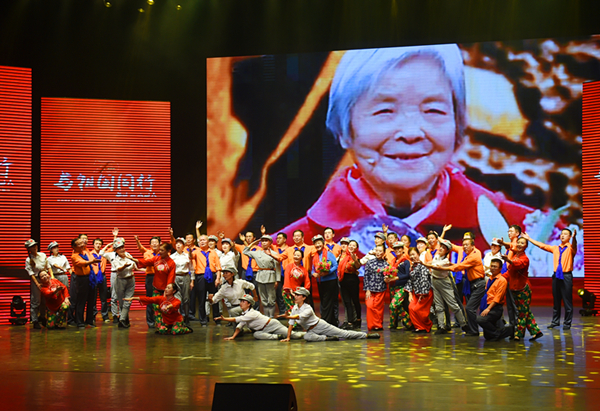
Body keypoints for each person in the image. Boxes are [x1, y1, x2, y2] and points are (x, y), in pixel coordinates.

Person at [279, 44, 532, 258]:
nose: (411, 133)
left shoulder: (529, 235)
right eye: (385, 111)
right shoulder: (286, 250)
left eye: (433, 110)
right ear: (345, 130)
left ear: (457, 125)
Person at [522, 229, 577, 331]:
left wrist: (574, 238)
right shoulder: (555, 248)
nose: (562, 235)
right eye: (561, 234)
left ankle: (567, 323)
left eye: (565, 234)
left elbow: (574, 244)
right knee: (556, 300)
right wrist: (529, 239)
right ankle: (555, 321)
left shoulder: (571, 248)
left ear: (569, 237)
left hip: (566, 276)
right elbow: (542, 246)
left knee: (567, 301)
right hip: (556, 276)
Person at [279, 287, 380, 342]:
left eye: (298, 295)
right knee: (307, 337)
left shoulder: (308, 308)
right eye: (295, 295)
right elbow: (291, 323)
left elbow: (297, 317)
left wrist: (287, 316)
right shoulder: (295, 308)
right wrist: (288, 337)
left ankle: (366, 335)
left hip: (320, 326)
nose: (295, 296)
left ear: (304, 297)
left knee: (344, 334)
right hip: (311, 330)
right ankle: (328, 338)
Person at [501, 237, 543, 341]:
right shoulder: (515, 255)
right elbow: (510, 273)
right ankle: (536, 331)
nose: (519, 244)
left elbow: (518, 265)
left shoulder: (524, 258)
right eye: (518, 242)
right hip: (514, 288)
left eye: (522, 243)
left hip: (523, 289)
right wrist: (499, 277)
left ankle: (518, 334)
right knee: (524, 311)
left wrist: (509, 260)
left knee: (522, 313)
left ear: (526, 246)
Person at [422, 239, 467, 334]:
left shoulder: (445, 261)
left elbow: (435, 267)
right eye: (441, 246)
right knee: (438, 306)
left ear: (447, 251)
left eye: (444, 248)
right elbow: (432, 263)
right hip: (435, 280)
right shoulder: (437, 256)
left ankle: (464, 324)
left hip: (444, 283)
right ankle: (441, 326)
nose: (441, 248)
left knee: (453, 305)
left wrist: (423, 263)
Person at [443, 238, 486, 336]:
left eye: (467, 245)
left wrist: (441, 267)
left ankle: (474, 330)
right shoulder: (468, 255)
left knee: (470, 308)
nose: (465, 247)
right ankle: (472, 329)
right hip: (472, 283)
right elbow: (459, 263)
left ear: (473, 246)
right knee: (470, 308)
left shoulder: (474, 255)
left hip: (478, 283)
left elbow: (459, 267)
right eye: (464, 245)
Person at [217, 295, 305, 340]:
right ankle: (277, 337)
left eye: (243, 301)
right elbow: (239, 326)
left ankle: (307, 333)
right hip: (263, 329)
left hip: (272, 325)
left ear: (249, 304)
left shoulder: (252, 313)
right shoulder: (245, 315)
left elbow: (236, 319)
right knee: (256, 334)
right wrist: (233, 337)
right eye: (241, 301)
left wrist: (224, 319)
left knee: (294, 335)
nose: (241, 303)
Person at [131, 242, 176, 330]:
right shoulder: (156, 259)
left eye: (162, 250)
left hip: (166, 289)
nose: (160, 252)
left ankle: (168, 324)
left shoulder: (171, 263)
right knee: (156, 307)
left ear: (168, 251)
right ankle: (159, 326)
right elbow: (145, 262)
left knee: (166, 307)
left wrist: (167, 291)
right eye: (159, 250)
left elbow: (171, 278)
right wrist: (133, 259)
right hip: (156, 287)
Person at [126, 283, 193, 335]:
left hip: (176, 320)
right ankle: (170, 329)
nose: (166, 289)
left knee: (175, 331)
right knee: (162, 331)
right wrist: (134, 298)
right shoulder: (161, 299)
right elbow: (149, 299)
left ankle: (185, 329)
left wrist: (169, 306)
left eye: (169, 288)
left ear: (174, 291)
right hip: (166, 321)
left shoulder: (176, 300)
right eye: (166, 287)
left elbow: (175, 305)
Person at [100, 238, 137, 328]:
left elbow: (135, 265)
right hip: (116, 275)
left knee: (127, 300)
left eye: (122, 247)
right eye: (119, 247)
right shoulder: (112, 255)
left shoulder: (127, 254)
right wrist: (109, 244)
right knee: (116, 297)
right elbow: (101, 253)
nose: (121, 249)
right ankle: (118, 317)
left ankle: (123, 318)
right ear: (115, 248)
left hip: (129, 277)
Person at [476, 258, 514, 341]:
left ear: (500, 269)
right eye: (492, 266)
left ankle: (501, 333)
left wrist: (488, 309)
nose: (492, 268)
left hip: (495, 308)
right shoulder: (489, 279)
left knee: (480, 320)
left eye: (495, 267)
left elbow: (497, 298)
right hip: (487, 305)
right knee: (488, 337)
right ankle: (504, 332)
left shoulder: (502, 280)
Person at [243, 235, 281, 318]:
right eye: (262, 241)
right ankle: (266, 318)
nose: (264, 243)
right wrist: (253, 243)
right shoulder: (257, 253)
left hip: (270, 276)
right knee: (263, 299)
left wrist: (277, 280)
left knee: (271, 298)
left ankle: (271, 317)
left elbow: (278, 268)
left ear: (270, 242)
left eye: (266, 241)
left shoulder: (274, 254)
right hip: (260, 276)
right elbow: (245, 251)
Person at [70, 237, 102, 329]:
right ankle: (79, 322)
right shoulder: (74, 256)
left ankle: (89, 320)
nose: (82, 245)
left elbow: (90, 258)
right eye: (79, 244)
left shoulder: (85, 252)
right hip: (81, 279)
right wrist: (92, 261)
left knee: (91, 300)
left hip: (91, 277)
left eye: (82, 243)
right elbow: (82, 263)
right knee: (81, 301)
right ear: (74, 247)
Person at [311, 234, 339, 326]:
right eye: (316, 243)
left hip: (330, 281)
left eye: (319, 243)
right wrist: (313, 273)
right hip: (321, 282)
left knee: (328, 302)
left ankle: (325, 321)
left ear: (323, 244)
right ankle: (330, 321)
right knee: (323, 301)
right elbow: (312, 268)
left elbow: (335, 266)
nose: (318, 245)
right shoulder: (315, 256)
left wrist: (328, 272)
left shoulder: (329, 254)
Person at [134, 234, 162, 328]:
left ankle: (160, 320)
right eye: (152, 243)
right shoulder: (147, 253)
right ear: (150, 245)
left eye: (156, 242)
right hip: (151, 277)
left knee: (161, 299)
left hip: (161, 277)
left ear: (160, 243)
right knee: (150, 299)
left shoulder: (163, 253)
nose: (154, 244)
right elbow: (149, 262)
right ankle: (150, 321)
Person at [404, 247, 434, 333]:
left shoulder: (423, 265)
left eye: (414, 254)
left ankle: (426, 326)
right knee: (411, 308)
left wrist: (422, 294)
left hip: (425, 292)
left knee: (418, 310)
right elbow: (410, 280)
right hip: (416, 292)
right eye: (410, 255)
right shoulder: (412, 266)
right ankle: (418, 327)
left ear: (418, 254)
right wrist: (410, 293)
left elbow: (425, 280)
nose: (412, 256)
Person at [337, 239, 363, 330]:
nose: (351, 246)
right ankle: (349, 322)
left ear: (356, 248)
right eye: (350, 245)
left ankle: (358, 320)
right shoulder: (342, 256)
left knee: (355, 301)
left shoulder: (355, 256)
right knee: (347, 302)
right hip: (343, 280)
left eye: (354, 245)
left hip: (352, 281)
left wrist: (355, 260)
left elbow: (357, 266)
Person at [386, 242, 412, 330]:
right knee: (398, 306)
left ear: (403, 249)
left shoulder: (406, 261)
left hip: (402, 287)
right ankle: (396, 324)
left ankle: (407, 322)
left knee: (393, 305)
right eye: (395, 249)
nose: (397, 250)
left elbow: (408, 275)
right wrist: (387, 277)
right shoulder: (393, 261)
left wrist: (396, 278)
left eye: (399, 248)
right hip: (393, 286)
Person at [24, 239, 49, 329]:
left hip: (45, 278)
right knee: (36, 300)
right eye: (32, 246)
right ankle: (34, 320)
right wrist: (37, 284)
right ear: (29, 249)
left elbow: (48, 266)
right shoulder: (28, 260)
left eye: (35, 245)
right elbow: (31, 274)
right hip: (36, 279)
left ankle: (42, 317)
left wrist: (50, 277)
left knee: (44, 299)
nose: (35, 247)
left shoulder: (42, 255)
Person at [363, 244, 388, 331]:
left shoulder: (386, 264)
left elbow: (387, 276)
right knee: (369, 306)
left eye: (380, 251)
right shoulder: (370, 262)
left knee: (378, 308)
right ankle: (371, 325)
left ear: (384, 252)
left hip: (381, 288)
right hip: (370, 288)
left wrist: (388, 278)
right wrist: (367, 289)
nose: (378, 252)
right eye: (377, 250)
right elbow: (366, 276)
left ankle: (378, 325)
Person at [170, 237, 195, 325]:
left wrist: (192, 280)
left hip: (185, 277)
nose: (178, 245)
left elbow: (191, 268)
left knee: (186, 298)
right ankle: (178, 317)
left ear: (184, 246)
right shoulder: (172, 257)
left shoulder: (187, 256)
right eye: (177, 243)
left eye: (180, 243)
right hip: (176, 277)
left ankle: (187, 316)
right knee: (177, 298)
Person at [282, 248, 311, 313]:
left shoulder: (304, 270)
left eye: (298, 255)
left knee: (298, 310)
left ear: (302, 257)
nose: (296, 257)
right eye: (295, 255)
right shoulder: (289, 266)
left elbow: (307, 282)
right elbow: (286, 278)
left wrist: (304, 292)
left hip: (298, 293)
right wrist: (290, 290)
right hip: (288, 292)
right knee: (291, 310)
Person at [90, 237, 110, 323]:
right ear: (93, 245)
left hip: (102, 276)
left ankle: (105, 316)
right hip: (93, 276)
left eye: (99, 244)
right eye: (96, 244)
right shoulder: (90, 254)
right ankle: (92, 316)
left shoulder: (104, 254)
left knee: (103, 297)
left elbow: (113, 248)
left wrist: (114, 237)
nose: (98, 245)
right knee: (93, 297)